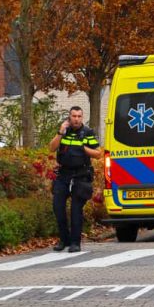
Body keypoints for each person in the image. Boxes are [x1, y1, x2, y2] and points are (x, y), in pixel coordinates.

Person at [49, 106, 102, 253]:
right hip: (63, 174)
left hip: (80, 175)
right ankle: (63, 240)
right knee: (58, 207)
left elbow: (98, 154)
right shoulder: (63, 132)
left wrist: (83, 148)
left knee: (75, 210)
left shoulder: (87, 133)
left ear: (82, 117)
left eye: (79, 116)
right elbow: (52, 148)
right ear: (69, 117)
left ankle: (75, 242)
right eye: (74, 116)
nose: (76, 119)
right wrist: (60, 132)